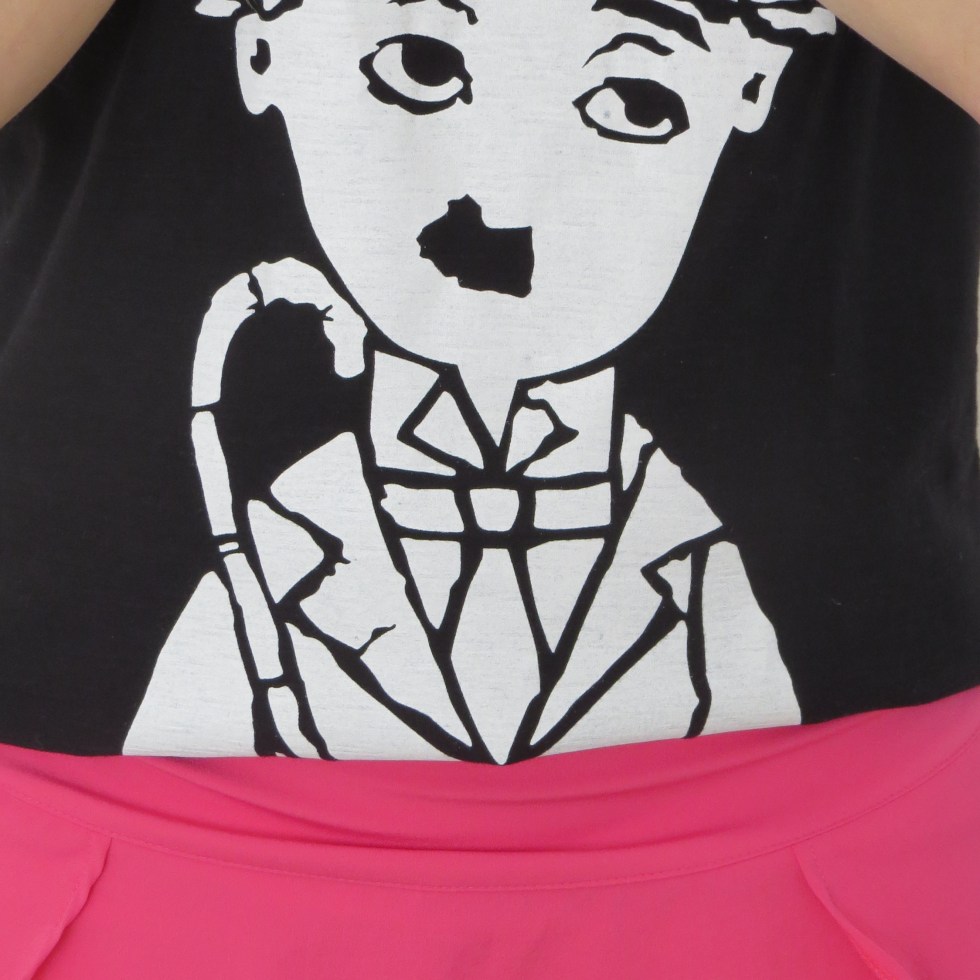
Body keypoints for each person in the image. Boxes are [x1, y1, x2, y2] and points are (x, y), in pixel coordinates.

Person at [0, 1, 977, 976]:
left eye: (636, 100)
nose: (502, 207)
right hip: (123, 828)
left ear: (749, 86)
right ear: (258, 53)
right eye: (420, 66)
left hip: (822, 817)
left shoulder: (684, 555)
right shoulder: (272, 556)